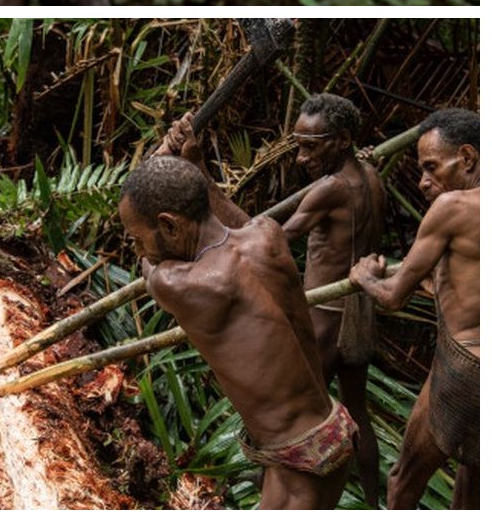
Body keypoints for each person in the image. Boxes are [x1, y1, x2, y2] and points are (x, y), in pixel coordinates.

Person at [119, 156, 355, 509]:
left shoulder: (180, 284)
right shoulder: (267, 234)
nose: (139, 249)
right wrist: (194, 163)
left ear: (169, 226)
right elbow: (226, 222)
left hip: (296, 461)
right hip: (331, 425)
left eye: (137, 238)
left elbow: (150, 270)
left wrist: (147, 253)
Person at [350, 107, 479, 509]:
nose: (423, 182)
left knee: (403, 481)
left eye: (431, 167)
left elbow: (391, 297)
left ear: (468, 157)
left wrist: (365, 276)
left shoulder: (453, 207)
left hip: (465, 365)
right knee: (474, 478)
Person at [278, 93, 385, 504]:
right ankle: (374, 504)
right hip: (360, 310)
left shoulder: (330, 189)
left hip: (324, 315)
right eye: (298, 145)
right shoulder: (371, 176)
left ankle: (285, 498)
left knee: (297, 415)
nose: (302, 157)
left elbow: (278, 240)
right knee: (357, 411)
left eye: (311, 145)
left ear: (342, 140)